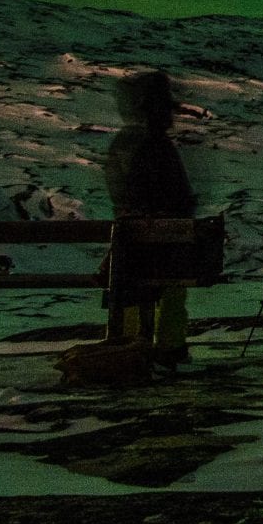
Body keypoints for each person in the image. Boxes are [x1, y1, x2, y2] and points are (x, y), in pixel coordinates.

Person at [103, 71, 197, 364]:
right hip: (161, 240)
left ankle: (130, 342)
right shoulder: (157, 145)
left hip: (131, 239)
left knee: (134, 285)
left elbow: (119, 188)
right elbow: (176, 194)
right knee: (172, 282)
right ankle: (169, 346)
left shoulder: (125, 142)